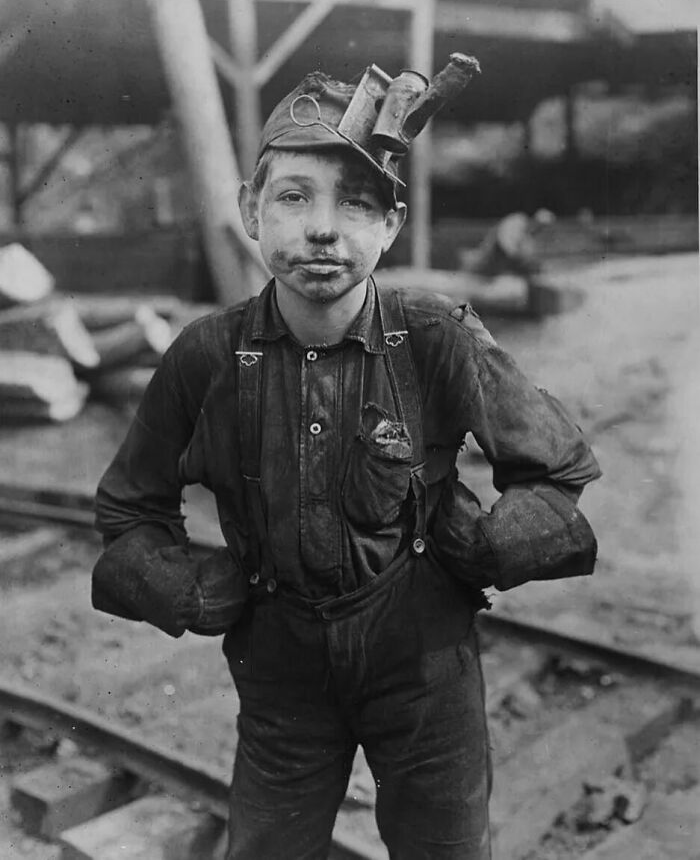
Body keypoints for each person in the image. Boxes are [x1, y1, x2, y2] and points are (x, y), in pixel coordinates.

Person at [91, 65, 601, 860]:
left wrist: (502, 543)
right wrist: (182, 584)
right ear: (250, 211)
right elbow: (128, 510)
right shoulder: (205, 356)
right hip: (280, 673)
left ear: (391, 224)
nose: (323, 230)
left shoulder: (437, 336)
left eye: (356, 202)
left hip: (424, 663)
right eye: (293, 197)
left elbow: (557, 469)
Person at [462, 208, 555, 280]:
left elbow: (520, 258)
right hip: (482, 264)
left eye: (543, 228)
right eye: (540, 225)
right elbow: (506, 248)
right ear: (534, 219)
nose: (540, 229)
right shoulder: (516, 221)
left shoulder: (530, 243)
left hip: (494, 272)